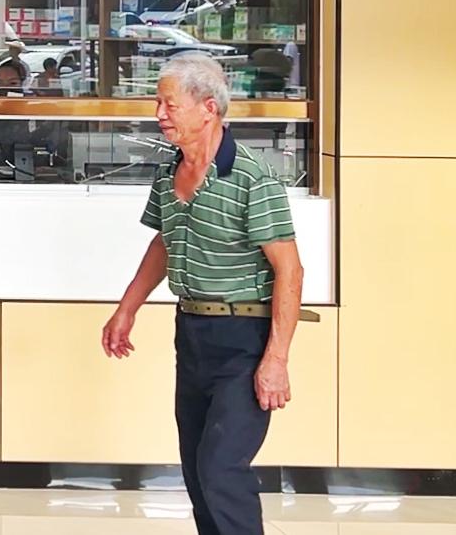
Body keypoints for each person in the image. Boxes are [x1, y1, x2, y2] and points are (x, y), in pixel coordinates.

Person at [102, 54, 305, 535]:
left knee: (221, 469)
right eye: (158, 103)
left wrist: (276, 359)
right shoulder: (169, 171)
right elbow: (165, 242)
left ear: (208, 108)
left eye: (169, 104)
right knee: (196, 469)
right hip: (192, 332)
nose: (159, 114)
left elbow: (290, 270)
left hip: (244, 338)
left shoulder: (252, 177)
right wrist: (127, 308)